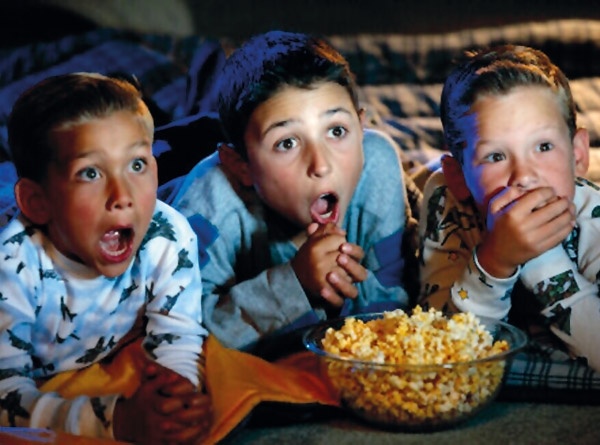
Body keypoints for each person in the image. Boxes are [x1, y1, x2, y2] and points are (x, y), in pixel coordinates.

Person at [162, 30, 419, 354]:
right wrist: (294, 285)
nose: (321, 165)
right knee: (183, 128)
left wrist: (340, 293)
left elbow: (396, 298)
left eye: (337, 130)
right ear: (241, 165)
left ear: (360, 127)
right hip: (175, 163)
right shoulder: (209, 207)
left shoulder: (377, 161)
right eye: (287, 143)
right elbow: (179, 337)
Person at [0, 73, 211, 444]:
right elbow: (4, 395)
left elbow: (178, 338)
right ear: (37, 201)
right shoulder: (13, 266)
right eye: (90, 173)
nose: (122, 195)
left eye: (137, 165)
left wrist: (174, 403)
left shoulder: (168, 237)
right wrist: (115, 420)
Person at [418, 44, 600, 371]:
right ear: (459, 177)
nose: (524, 176)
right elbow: (442, 353)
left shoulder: (593, 220)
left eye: (543, 146)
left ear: (578, 156)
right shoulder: (447, 201)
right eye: (496, 156)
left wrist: (543, 263)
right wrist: (495, 262)